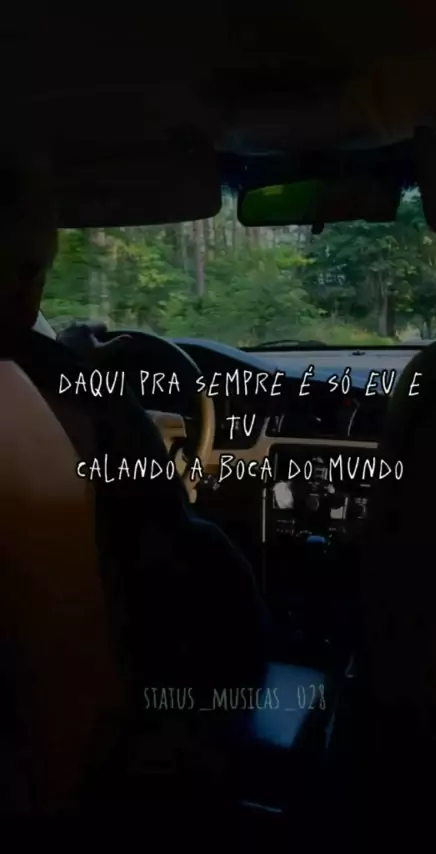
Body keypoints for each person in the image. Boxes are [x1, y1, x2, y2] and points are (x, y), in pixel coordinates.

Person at [0, 153, 268, 811]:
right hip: (101, 760)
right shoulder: (77, 407)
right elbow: (168, 540)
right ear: (27, 275)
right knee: (207, 547)